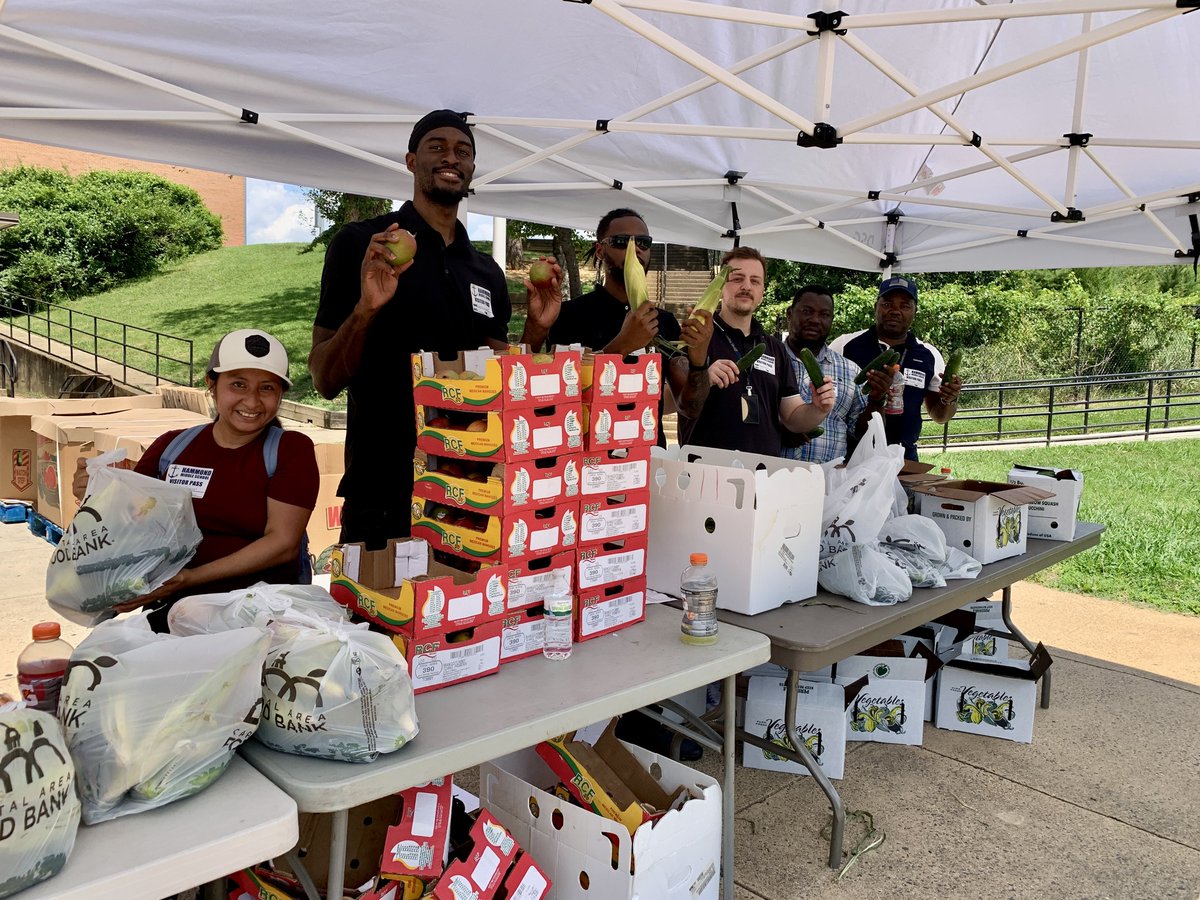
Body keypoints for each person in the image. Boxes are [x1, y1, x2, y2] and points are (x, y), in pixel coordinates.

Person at [308, 109, 563, 547]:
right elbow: (324, 378)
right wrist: (366, 310)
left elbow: (502, 383)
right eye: (437, 147)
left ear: (472, 168)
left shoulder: (484, 269)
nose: (452, 157)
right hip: (384, 488)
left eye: (463, 151)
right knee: (379, 613)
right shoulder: (365, 245)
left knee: (465, 612)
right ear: (411, 160)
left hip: (470, 488)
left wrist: (536, 332)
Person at [73, 329, 319, 631]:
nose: (252, 401)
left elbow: (283, 544)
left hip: (258, 618)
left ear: (280, 395)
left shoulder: (290, 450)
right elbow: (129, 522)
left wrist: (190, 577)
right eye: (238, 384)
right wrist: (95, 494)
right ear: (211, 385)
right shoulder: (171, 448)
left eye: (266, 388)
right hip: (173, 613)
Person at [521, 207, 712, 447]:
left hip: (649, 460)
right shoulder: (569, 315)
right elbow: (562, 396)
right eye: (623, 242)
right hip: (588, 460)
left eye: (643, 242)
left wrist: (699, 360)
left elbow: (690, 407)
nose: (636, 249)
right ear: (600, 250)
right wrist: (623, 345)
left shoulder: (665, 322)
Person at [675, 247, 835, 455]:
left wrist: (818, 408)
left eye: (755, 281)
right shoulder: (695, 336)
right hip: (705, 471)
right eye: (737, 278)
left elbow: (793, 417)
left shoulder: (775, 348)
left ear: (762, 291)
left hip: (761, 474)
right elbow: (671, 402)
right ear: (720, 285)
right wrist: (703, 378)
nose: (746, 286)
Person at [830, 276, 962, 461]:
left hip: (904, 458)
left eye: (905, 306)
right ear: (876, 306)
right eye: (887, 304)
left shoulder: (929, 354)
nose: (895, 311)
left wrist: (949, 398)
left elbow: (940, 416)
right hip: (851, 455)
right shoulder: (844, 345)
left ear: (915, 311)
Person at [782, 284, 870, 464]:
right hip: (771, 478)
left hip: (828, 483)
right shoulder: (767, 362)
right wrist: (780, 432)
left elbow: (862, 433)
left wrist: (877, 400)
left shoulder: (851, 371)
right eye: (807, 311)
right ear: (790, 314)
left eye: (824, 315)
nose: (815, 320)